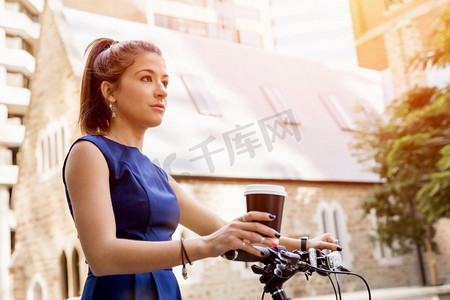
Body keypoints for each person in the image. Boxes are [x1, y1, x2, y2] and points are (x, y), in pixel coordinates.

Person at [62, 38, 342, 300]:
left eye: (165, 81)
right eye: (146, 78)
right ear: (110, 91)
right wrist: (207, 246)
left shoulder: (157, 175)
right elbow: (102, 256)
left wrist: (306, 246)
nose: (161, 90)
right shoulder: (90, 152)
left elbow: (226, 233)